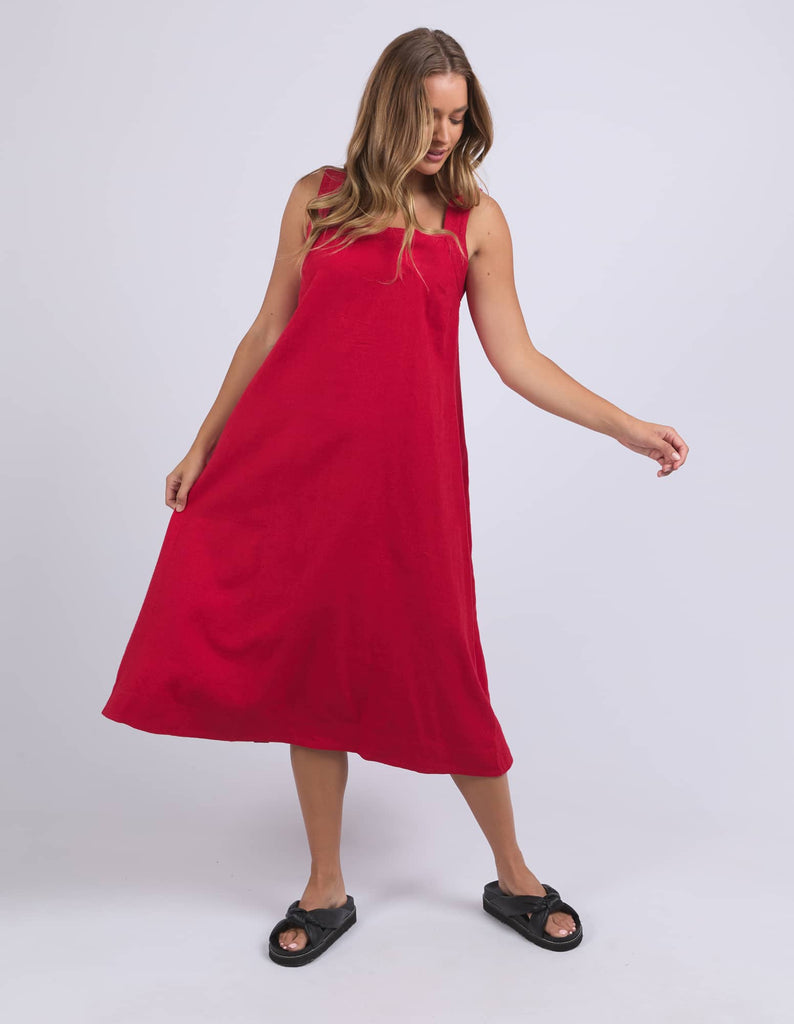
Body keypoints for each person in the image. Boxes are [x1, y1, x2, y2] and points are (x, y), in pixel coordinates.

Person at [102, 27, 688, 967]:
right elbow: (266, 331)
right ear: (389, 107)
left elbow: (517, 358)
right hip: (297, 472)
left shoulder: (475, 221)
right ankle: (325, 886)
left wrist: (623, 426)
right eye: (430, 114)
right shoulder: (317, 199)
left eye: (459, 118)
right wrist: (203, 442)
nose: (446, 134)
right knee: (310, 664)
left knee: (443, 661)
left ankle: (514, 873)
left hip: (410, 486)